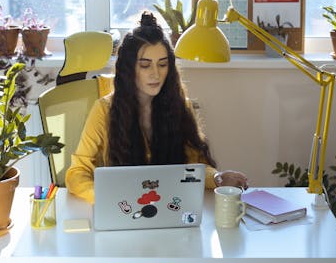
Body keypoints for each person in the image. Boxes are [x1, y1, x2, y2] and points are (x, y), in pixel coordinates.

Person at [65, 11, 248, 204]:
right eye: (145, 65)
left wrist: (217, 178)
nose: (156, 74)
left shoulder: (180, 106)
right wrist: (102, 197)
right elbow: (78, 172)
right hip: (125, 208)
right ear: (129, 69)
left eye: (162, 64)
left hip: (171, 206)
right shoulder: (104, 110)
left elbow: (195, 166)